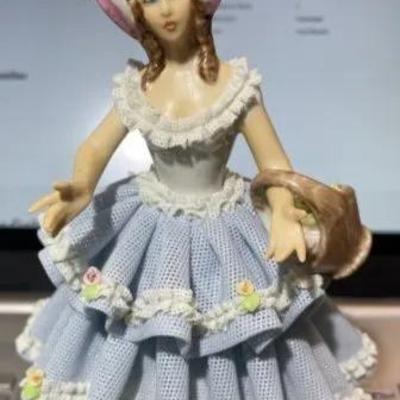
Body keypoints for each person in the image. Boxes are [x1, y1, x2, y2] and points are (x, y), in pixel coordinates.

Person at [15, 0, 377, 398]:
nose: (166, 10)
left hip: (227, 222)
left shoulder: (235, 85)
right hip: (150, 222)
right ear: (138, 14)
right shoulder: (139, 86)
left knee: (244, 318)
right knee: (140, 314)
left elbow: (273, 163)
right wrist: (82, 185)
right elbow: (96, 146)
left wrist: (282, 211)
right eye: (150, 1)